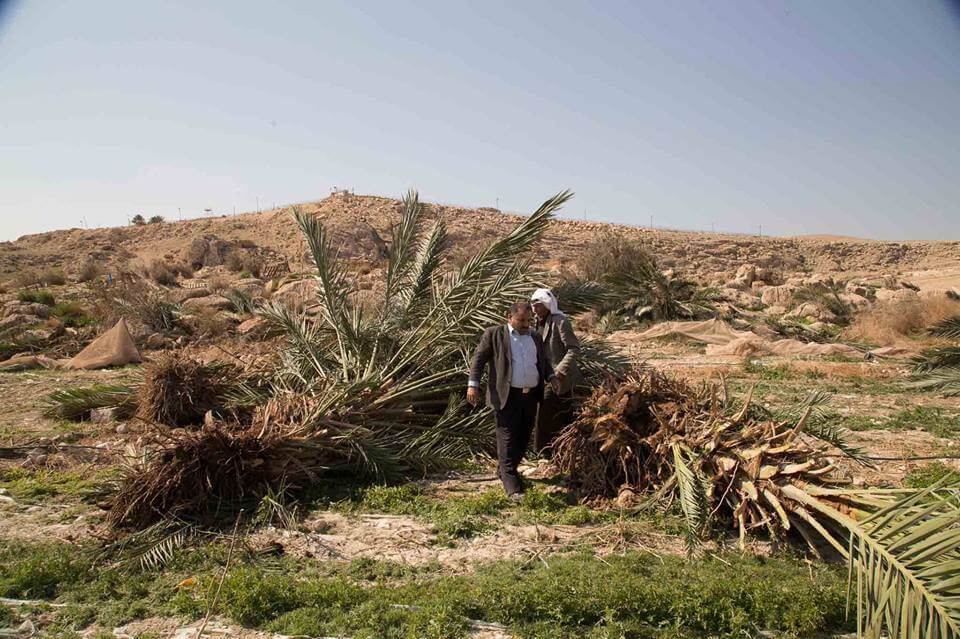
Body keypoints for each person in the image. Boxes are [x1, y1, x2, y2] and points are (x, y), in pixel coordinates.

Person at [467, 301, 556, 500]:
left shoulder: (534, 336)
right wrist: (473, 385)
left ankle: (505, 471)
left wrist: (552, 377)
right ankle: (513, 488)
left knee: (523, 438)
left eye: (528, 320)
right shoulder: (494, 334)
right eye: (521, 320)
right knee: (506, 440)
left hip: (530, 395)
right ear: (510, 317)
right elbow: (478, 359)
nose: (526, 324)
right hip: (507, 396)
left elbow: (543, 361)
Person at [529, 288, 581, 455]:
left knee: (544, 409)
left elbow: (573, 349)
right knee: (555, 413)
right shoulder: (536, 323)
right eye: (533, 306)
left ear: (547, 305)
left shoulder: (560, 322)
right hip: (543, 375)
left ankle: (542, 452)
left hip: (560, 376)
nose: (535, 309)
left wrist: (560, 370)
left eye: (538, 306)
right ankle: (554, 450)